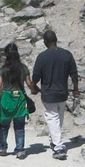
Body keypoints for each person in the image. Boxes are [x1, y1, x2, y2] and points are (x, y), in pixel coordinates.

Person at [31, 28, 79, 160]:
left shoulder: (42, 57)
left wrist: (33, 86)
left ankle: (58, 147)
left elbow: (36, 77)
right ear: (56, 40)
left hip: (48, 93)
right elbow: (74, 74)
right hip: (62, 92)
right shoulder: (67, 55)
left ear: (45, 41)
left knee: (52, 118)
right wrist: (75, 89)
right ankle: (54, 140)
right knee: (59, 116)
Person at [0, 42, 35, 159]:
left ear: (6, 55)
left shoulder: (3, 69)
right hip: (19, 99)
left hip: (6, 98)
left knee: (4, 125)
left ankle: (2, 147)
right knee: (19, 126)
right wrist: (35, 89)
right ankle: (19, 149)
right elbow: (29, 84)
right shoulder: (23, 68)